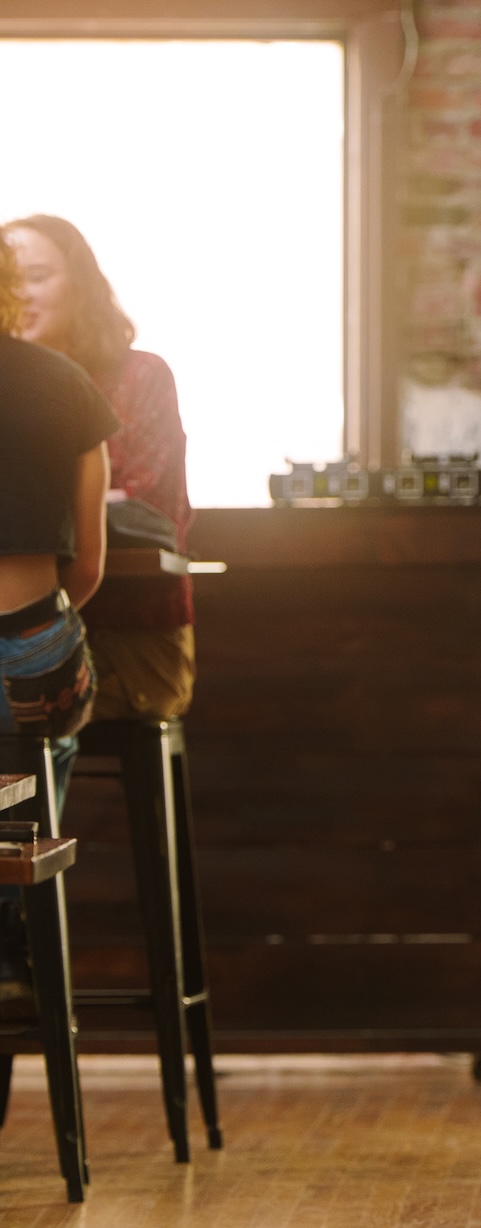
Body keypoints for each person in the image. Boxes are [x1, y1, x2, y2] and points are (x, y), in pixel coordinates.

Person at [4, 216, 194, 721]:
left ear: (83, 287)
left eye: (38, 276)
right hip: (38, 632)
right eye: (9, 279)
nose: (21, 294)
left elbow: (150, 506)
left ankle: (33, 792)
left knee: (30, 703)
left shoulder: (142, 376)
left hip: (129, 639)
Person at [0, 217, 115, 997]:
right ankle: (18, 898)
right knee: (37, 741)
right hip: (28, 649)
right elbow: (92, 565)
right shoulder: (68, 384)